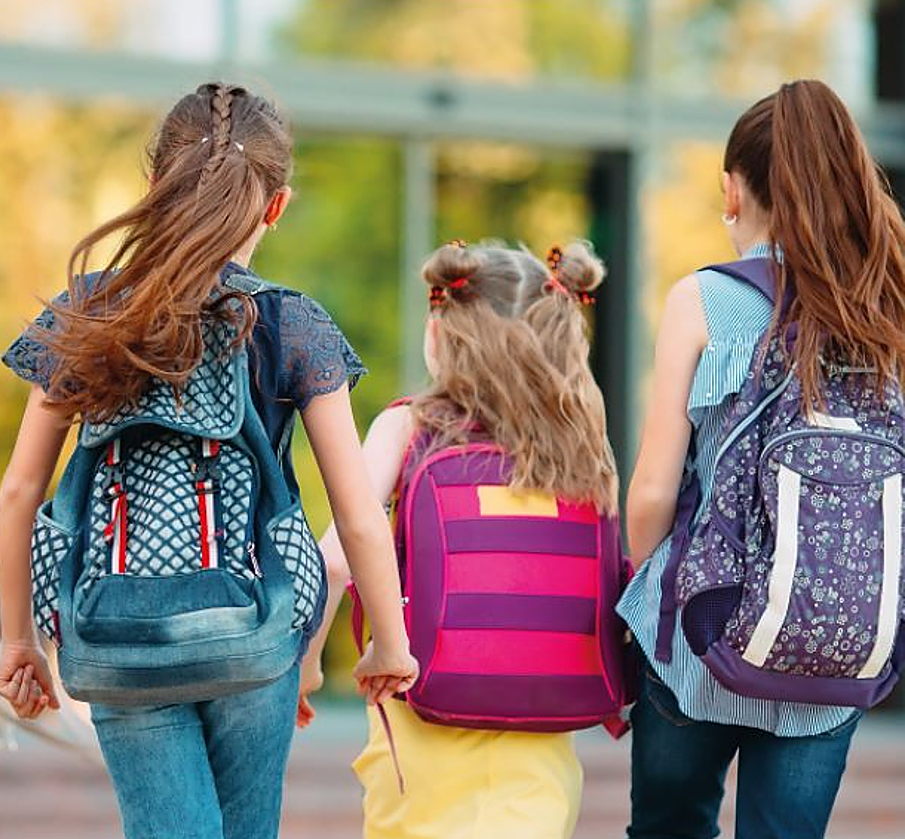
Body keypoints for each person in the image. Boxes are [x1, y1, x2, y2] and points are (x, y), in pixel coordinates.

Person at [0, 82, 418, 839]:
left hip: (118, 634)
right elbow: (356, 514)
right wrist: (389, 642)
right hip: (257, 631)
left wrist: (19, 639)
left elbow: (22, 488)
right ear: (276, 206)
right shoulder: (290, 322)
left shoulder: (92, 309)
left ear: (154, 183)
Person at [619, 78, 905, 839]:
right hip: (837, 649)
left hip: (697, 639)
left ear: (731, 190)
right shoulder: (890, 315)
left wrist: (641, 613)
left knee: (669, 828)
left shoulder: (705, 301)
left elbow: (651, 489)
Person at [299, 239, 617, 839]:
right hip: (542, 744)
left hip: (423, 725)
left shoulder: (410, 424)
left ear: (442, 334)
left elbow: (338, 559)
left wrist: (306, 666)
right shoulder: (582, 449)